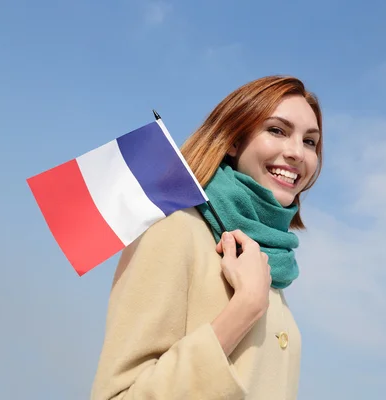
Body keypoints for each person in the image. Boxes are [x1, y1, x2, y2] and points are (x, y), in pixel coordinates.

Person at [90, 75, 323, 400]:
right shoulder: (177, 227)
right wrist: (243, 309)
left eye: (310, 141)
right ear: (234, 141)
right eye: (277, 130)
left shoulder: (273, 266)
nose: (297, 152)